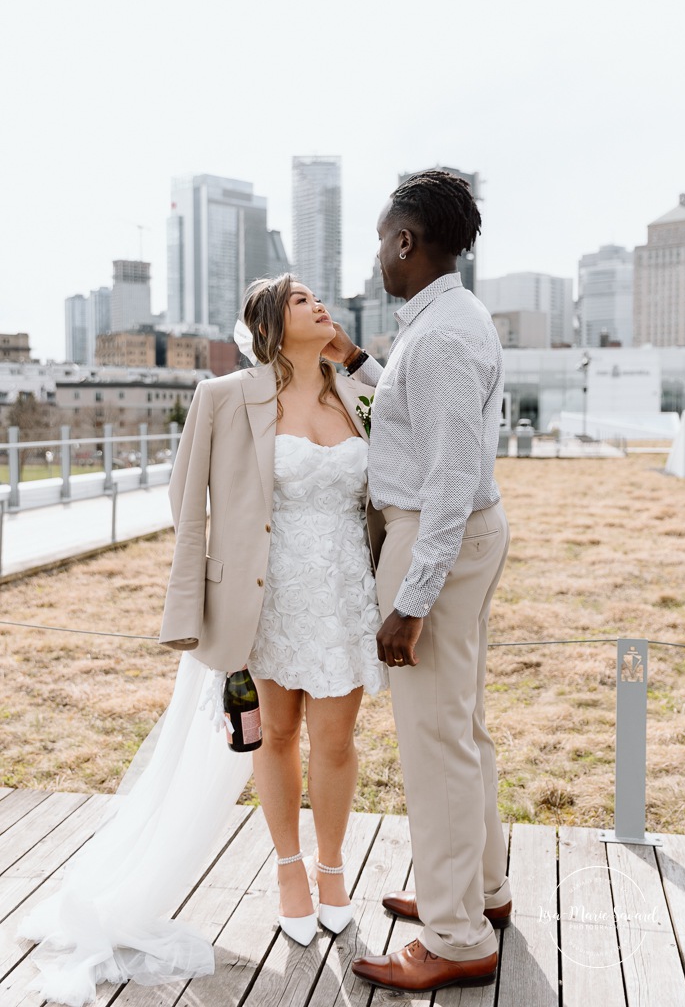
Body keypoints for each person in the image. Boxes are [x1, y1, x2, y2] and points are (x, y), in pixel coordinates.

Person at [19, 274, 387, 1005]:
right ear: (272, 326)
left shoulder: (360, 398)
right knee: (275, 735)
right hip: (265, 596)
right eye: (300, 300)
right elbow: (189, 508)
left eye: (320, 298)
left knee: (338, 742)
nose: (319, 305)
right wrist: (190, 613)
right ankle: (287, 868)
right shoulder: (222, 398)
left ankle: (333, 867)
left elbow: (409, 438)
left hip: (346, 592)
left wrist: (358, 360)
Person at [323, 170, 511, 994]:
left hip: (434, 540)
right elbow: (414, 410)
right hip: (469, 535)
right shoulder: (450, 319)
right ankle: (480, 892)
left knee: (434, 744)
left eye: (379, 240)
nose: (375, 258)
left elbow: (444, 476)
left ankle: (456, 935)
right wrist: (356, 362)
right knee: (461, 726)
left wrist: (410, 602)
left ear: (407, 240)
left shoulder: (438, 336)